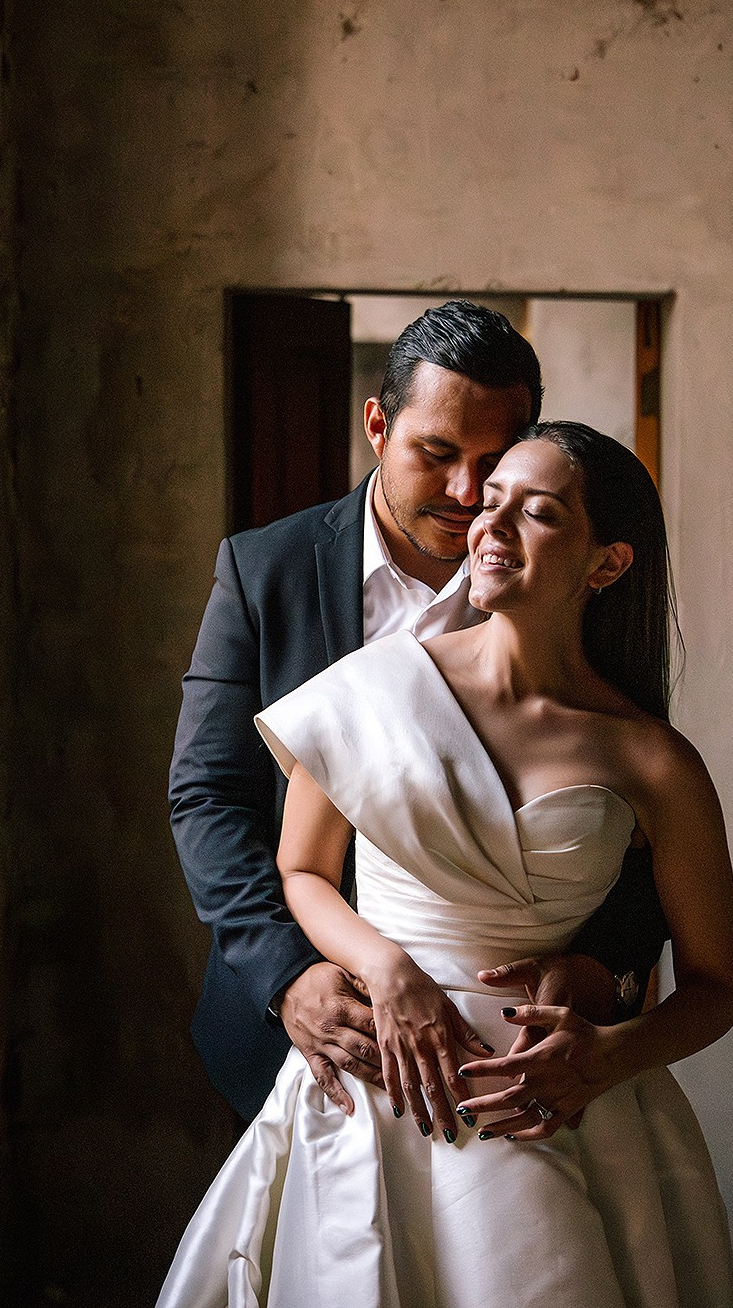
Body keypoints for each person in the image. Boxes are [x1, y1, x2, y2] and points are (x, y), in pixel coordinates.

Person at [158, 421, 733, 1305]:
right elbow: (302, 870)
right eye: (491, 500)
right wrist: (383, 965)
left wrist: (606, 1056)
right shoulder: (371, 685)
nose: (489, 523)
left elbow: (715, 984)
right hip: (376, 1087)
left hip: (550, 1104)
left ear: (608, 563)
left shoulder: (654, 759)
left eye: (537, 512)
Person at [170, 301, 669, 1123]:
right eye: (436, 454)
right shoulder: (266, 570)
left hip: (517, 1066)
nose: (468, 493)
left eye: (493, 462)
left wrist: (598, 971)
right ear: (378, 426)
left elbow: (633, 816)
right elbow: (208, 796)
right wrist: (291, 976)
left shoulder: (563, 590)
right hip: (305, 1033)